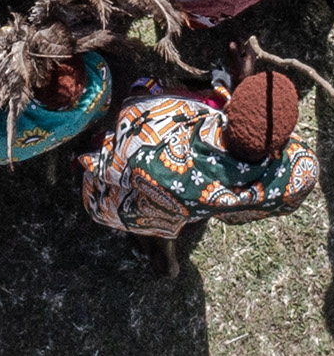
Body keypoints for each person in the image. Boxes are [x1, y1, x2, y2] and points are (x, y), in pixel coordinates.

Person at [74, 66, 313, 263]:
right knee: (175, 211)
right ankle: (172, 233)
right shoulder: (301, 171)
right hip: (201, 206)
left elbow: (111, 165)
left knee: (145, 84)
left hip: (140, 201)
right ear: (281, 145)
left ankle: (153, 238)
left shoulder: (152, 143)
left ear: (228, 109)